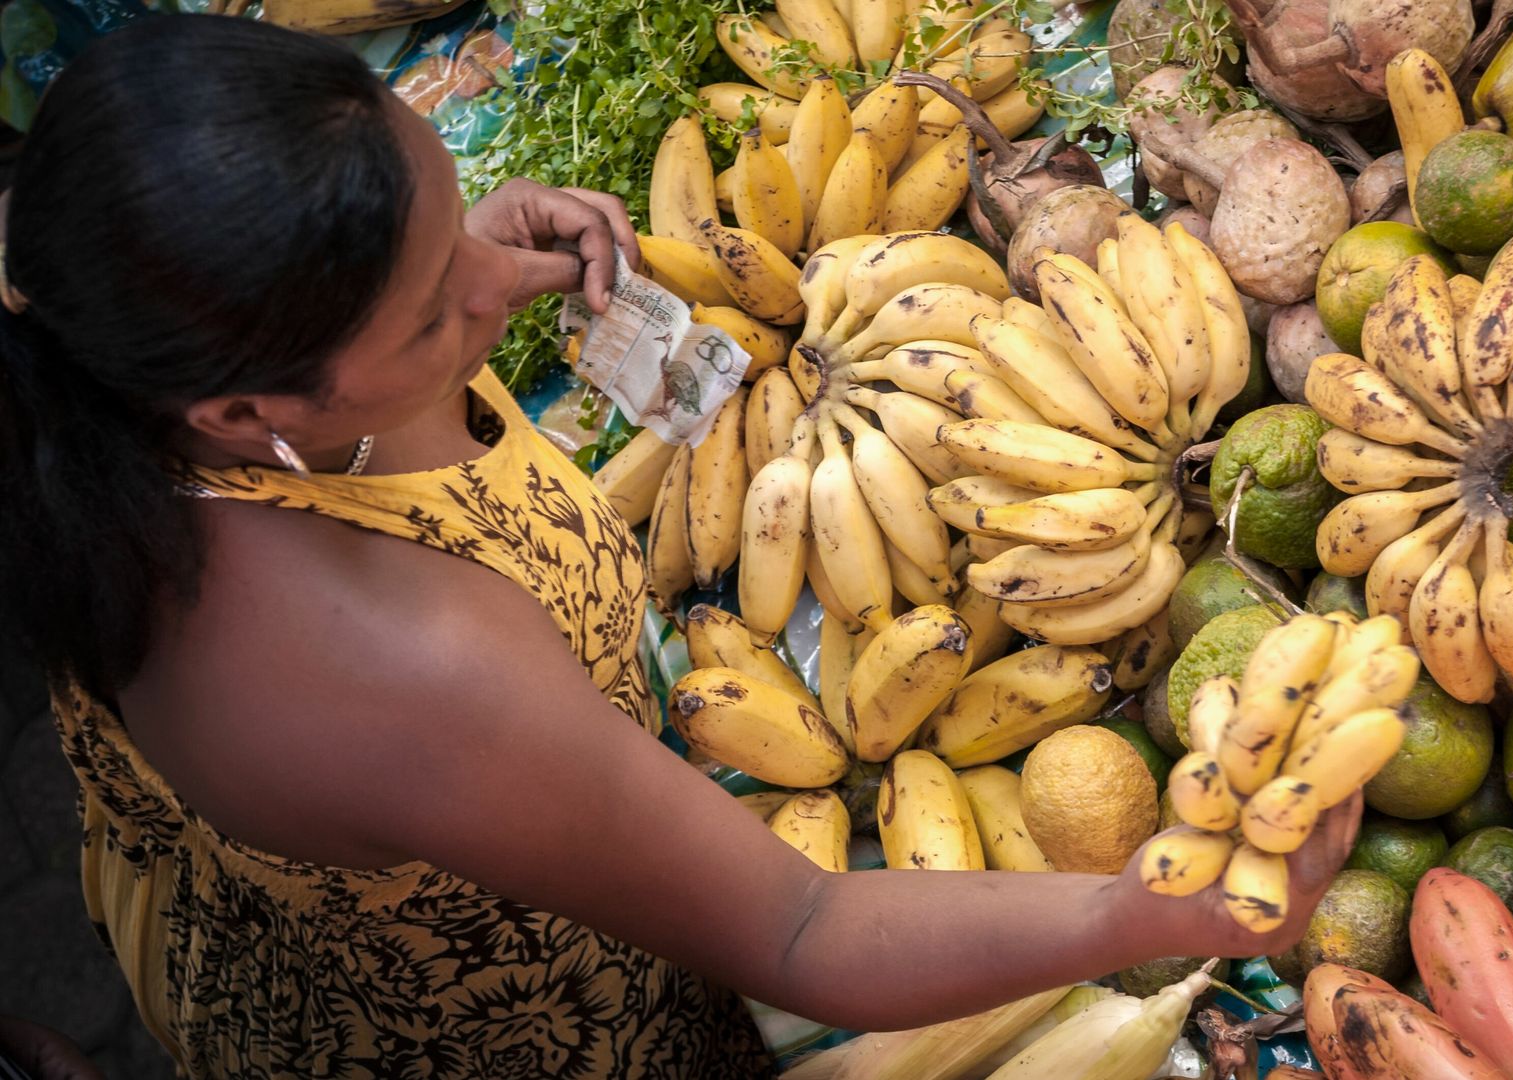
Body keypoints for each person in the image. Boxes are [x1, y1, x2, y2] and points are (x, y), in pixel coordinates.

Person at [0, 15, 1359, 1079]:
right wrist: (1148, 914)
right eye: (431, 313)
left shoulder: (132, 397)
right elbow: (799, 931)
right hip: (495, 1015)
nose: (494, 289)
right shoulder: (392, 671)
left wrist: (450, 258)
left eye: (447, 204)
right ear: (245, 410)